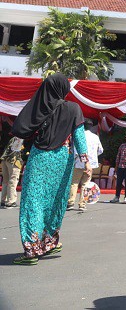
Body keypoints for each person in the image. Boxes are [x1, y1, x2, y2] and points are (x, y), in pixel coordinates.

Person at [11, 73, 89, 265]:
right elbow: (79, 136)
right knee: (56, 200)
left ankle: (31, 249)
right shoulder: (73, 108)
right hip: (63, 161)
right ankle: (48, 242)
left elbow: (20, 127)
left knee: (33, 201)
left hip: (39, 159)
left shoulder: (40, 107)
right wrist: (86, 162)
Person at [67, 120, 103, 211]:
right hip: (90, 164)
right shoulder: (95, 137)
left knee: (74, 183)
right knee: (85, 184)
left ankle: (71, 202)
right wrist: (93, 156)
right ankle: (82, 204)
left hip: (78, 162)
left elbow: (74, 149)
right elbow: (100, 150)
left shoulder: (79, 136)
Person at [110, 132, 126, 203]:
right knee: (119, 182)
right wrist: (116, 166)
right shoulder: (122, 145)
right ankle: (117, 197)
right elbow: (118, 156)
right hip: (121, 166)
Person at [1, 136, 24, 208]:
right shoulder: (19, 138)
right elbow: (14, 151)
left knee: (5, 181)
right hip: (12, 161)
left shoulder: (12, 138)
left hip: (4, 160)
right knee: (13, 180)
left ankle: (3, 200)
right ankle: (11, 201)